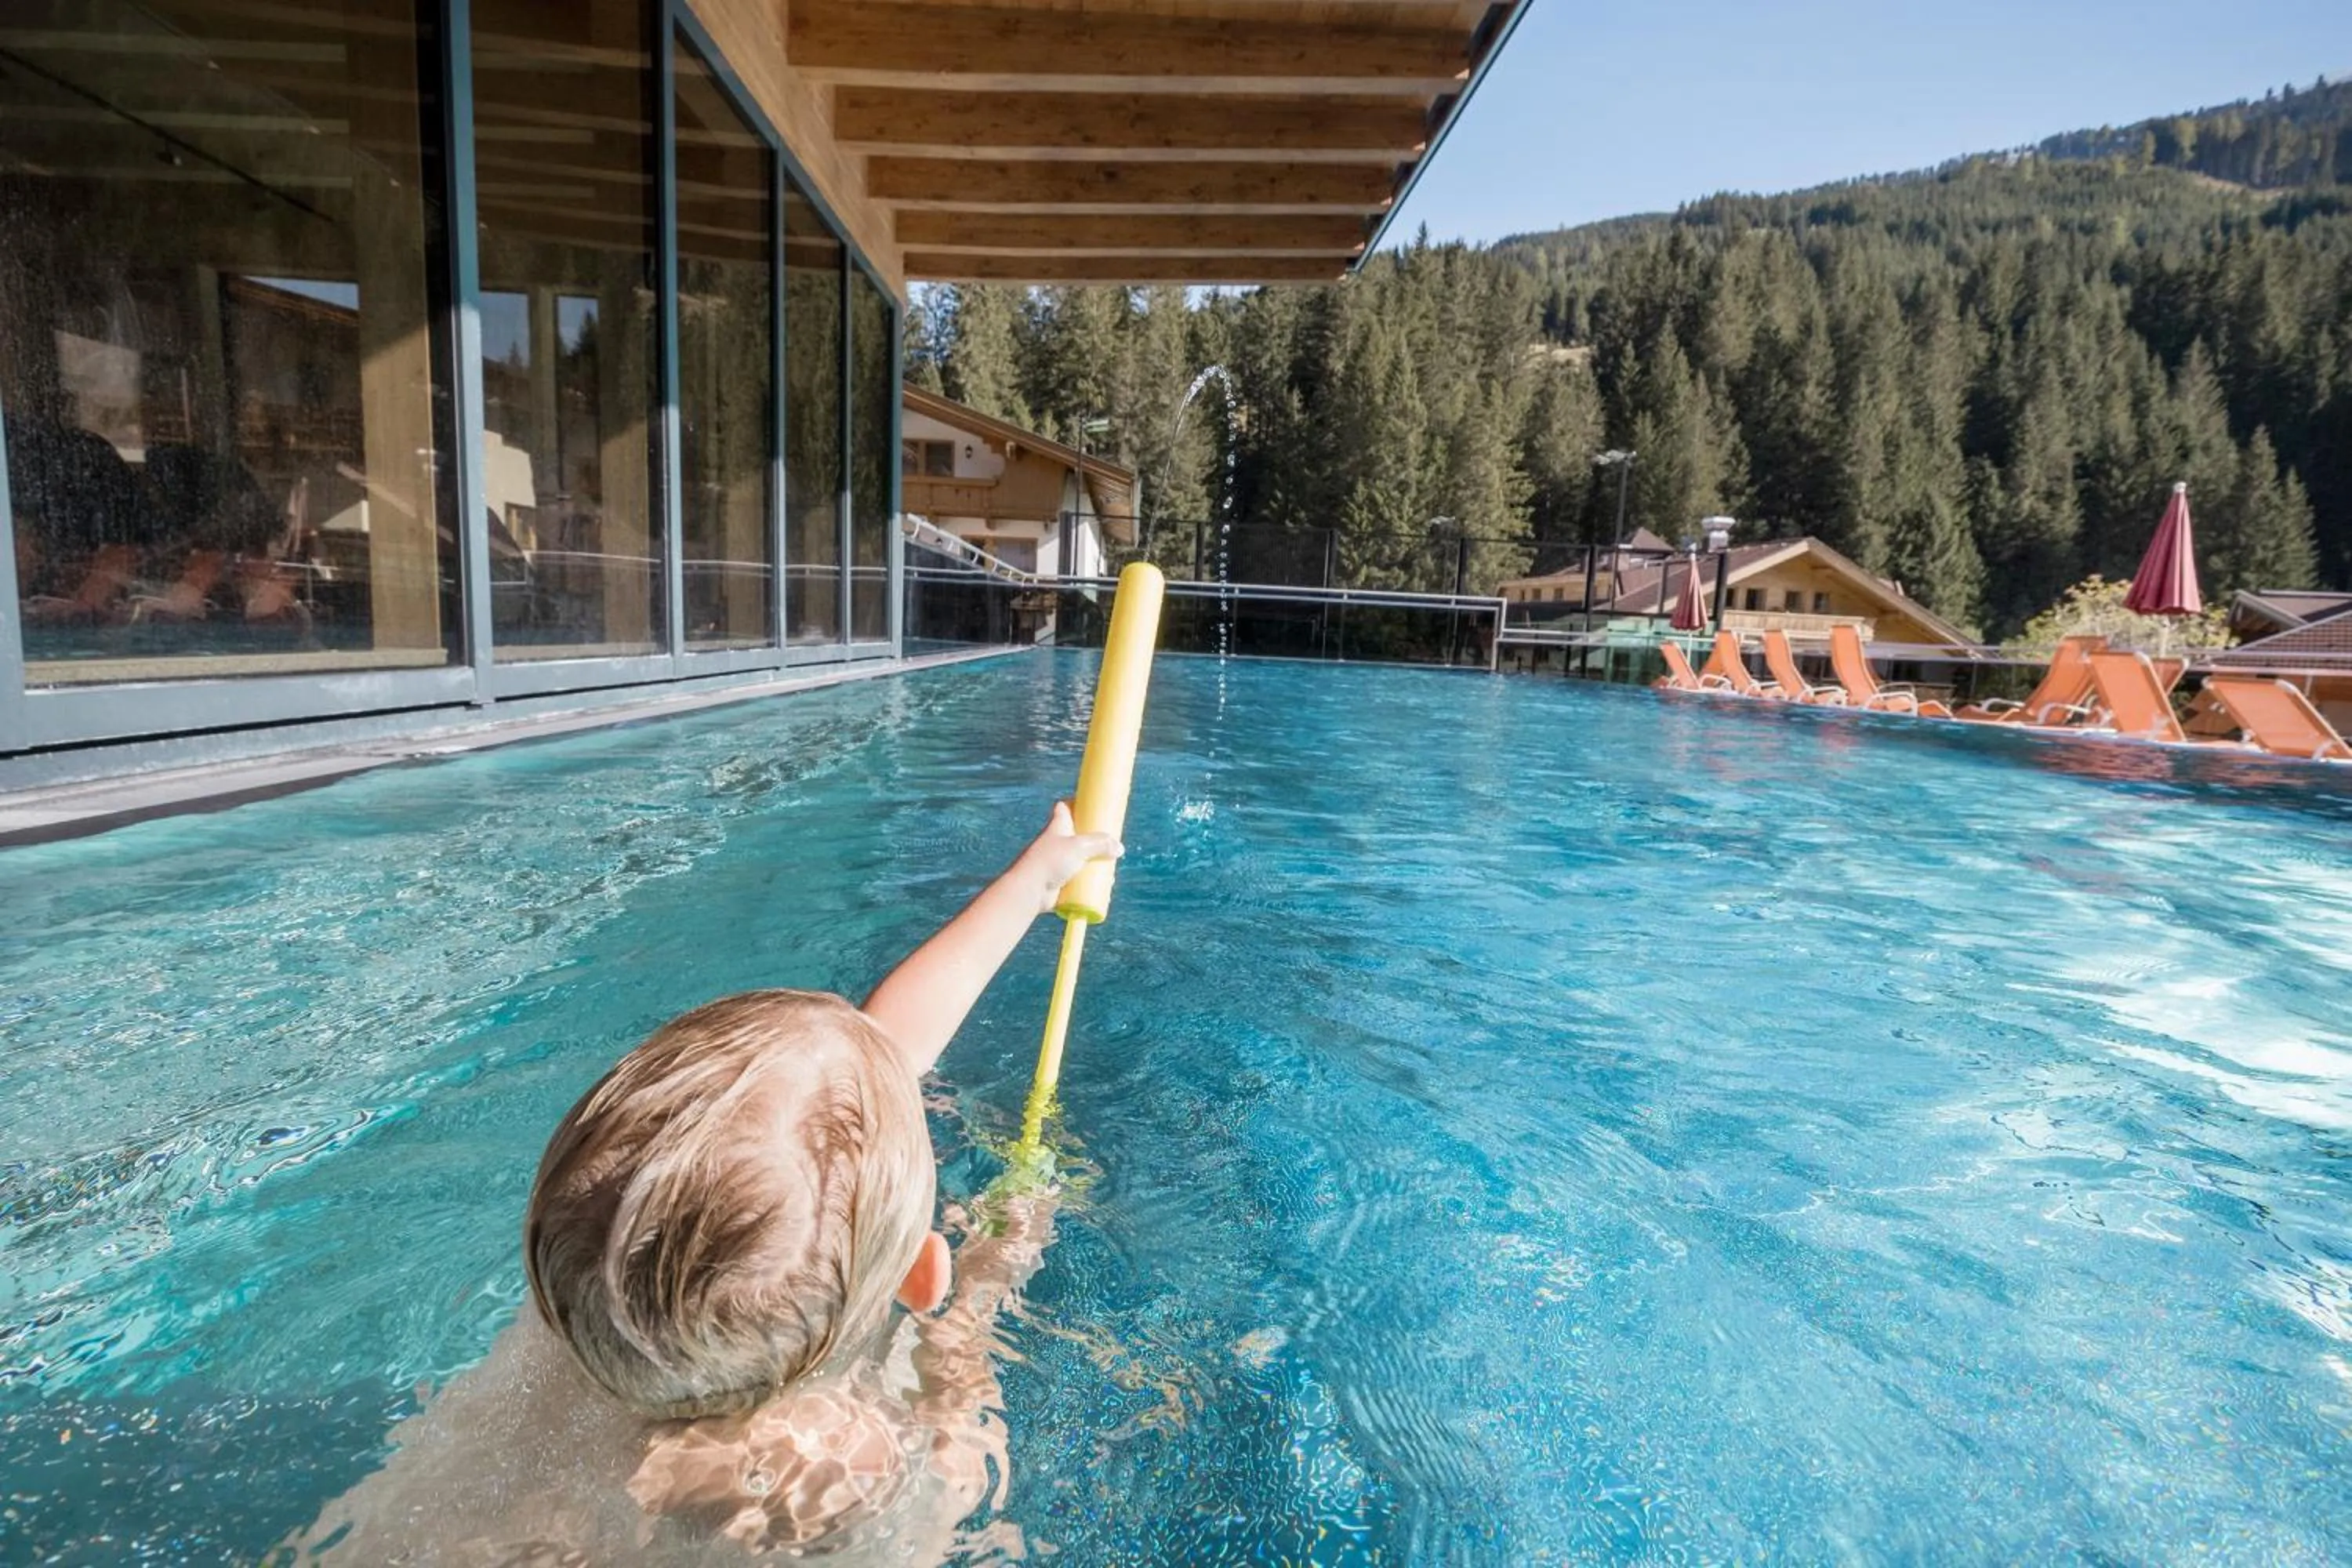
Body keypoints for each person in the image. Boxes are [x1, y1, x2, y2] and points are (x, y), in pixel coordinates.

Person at [301, 804, 1118, 1563]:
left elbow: (872, 1063)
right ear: (920, 1273)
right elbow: (952, 1492)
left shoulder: (607, 1277)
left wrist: (1028, 889)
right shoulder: (833, 1467)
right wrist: (973, 1314)